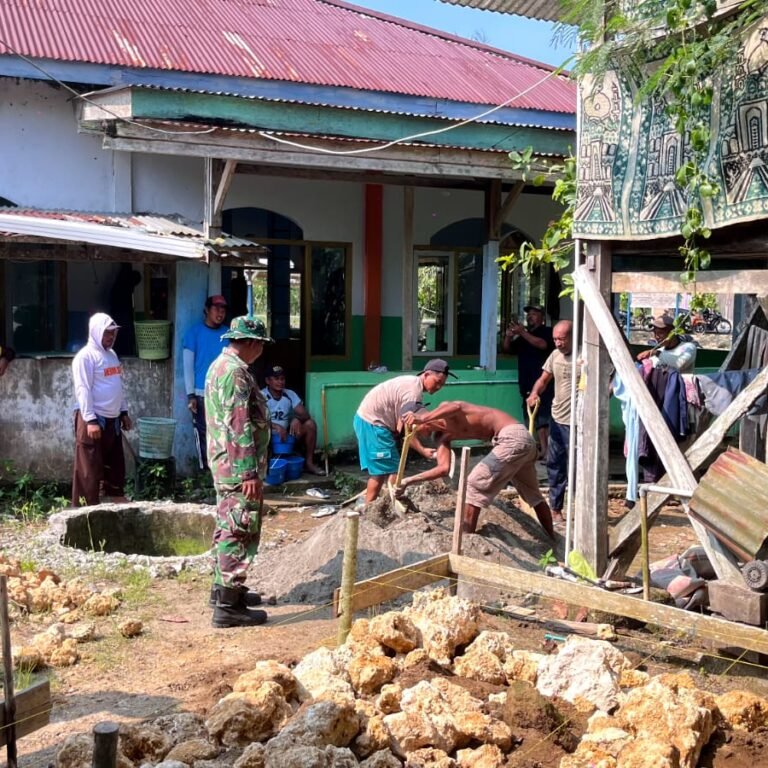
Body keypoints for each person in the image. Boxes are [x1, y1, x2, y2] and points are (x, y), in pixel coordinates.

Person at [399, 401, 555, 539]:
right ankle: (553, 539)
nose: (415, 434)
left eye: (412, 428)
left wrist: (424, 418)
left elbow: (457, 406)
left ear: (416, 419)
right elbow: (443, 469)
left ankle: (467, 540)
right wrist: (408, 481)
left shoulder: (446, 410)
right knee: (533, 496)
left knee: (473, 484)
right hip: (518, 444)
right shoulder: (441, 436)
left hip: (513, 436)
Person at [206, 316, 273, 628]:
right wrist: (249, 473)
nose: (261, 350)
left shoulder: (220, 366)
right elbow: (238, 424)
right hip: (236, 467)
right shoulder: (234, 374)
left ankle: (226, 589)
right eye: (260, 344)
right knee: (239, 527)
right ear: (251, 343)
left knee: (228, 524)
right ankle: (228, 605)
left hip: (224, 462)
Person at [354, 359, 454, 503]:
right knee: (386, 471)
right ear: (426, 375)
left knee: (387, 468)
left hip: (370, 422)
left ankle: (383, 502)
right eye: (437, 382)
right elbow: (408, 429)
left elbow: (402, 430)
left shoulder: (413, 386)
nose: (439, 387)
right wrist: (422, 448)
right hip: (373, 423)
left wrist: (422, 448)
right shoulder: (412, 392)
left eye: (442, 384)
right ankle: (373, 507)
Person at [71, 313, 132, 507]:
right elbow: (83, 390)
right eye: (107, 333)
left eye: (113, 333)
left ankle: (113, 505)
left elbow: (117, 384)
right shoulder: (85, 357)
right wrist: (90, 420)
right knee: (88, 468)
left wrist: (123, 412)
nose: (111, 337)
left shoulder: (112, 355)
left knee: (113, 467)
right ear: (96, 332)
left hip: (112, 421)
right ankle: (84, 511)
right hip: (94, 419)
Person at [527, 320, 579, 524]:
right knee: (554, 464)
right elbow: (543, 379)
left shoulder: (586, 356)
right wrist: (534, 393)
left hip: (579, 423)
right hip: (558, 419)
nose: (558, 343)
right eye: (555, 339)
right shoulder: (555, 356)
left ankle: (582, 508)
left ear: (573, 337)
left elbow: (609, 381)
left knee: (577, 468)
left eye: (562, 339)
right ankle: (555, 509)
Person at [502, 304, 554, 458]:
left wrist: (522, 332)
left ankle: (547, 452)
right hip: (526, 385)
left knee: (544, 420)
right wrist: (508, 336)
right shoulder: (524, 336)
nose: (530, 316)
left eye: (534, 314)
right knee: (533, 420)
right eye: (528, 314)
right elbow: (507, 350)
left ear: (542, 317)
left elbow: (542, 344)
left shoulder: (547, 332)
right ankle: (539, 451)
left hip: (544, 385)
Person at [183, 295, 229, 470]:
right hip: (201, 394)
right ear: (207, 310)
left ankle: (223, 471)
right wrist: (190, 395)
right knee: (204, 435)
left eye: (223, 310)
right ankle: (206, 473)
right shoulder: (193, 334)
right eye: (216, 309)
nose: (220, 313)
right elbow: (188, 366)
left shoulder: (228, 335)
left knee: (224, 434)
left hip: (223, 393)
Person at [261, 364, 324, 475]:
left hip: (286, 436)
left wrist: (296, 419)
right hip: (267, 437)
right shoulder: (261, 395)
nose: (280, 382)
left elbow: (305, 415)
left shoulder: (289, 394)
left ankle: (309, 463)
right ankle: (261, 466)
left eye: (282, 379)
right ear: (267, 381)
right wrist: (275, 426)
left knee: (310, 424)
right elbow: (256, 420)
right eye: (276, 379)